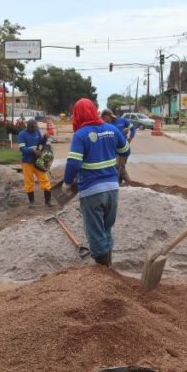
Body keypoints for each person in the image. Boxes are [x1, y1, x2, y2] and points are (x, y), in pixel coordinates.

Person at [58, 98, 130, 266]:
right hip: (113, 189)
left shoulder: (80, 135)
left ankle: (103, 276)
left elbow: (74, 163)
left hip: (92, 191)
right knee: (106, 229)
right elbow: (126, 150)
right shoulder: (111, 129)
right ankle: (109, 270)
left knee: (95, 233)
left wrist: (67, 183)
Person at [17, 119, 53, 206]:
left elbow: (41, 142)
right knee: (29, 182)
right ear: (28, 126)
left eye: (35, 127)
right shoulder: (22, 134)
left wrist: (45, 137)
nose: (34, 129)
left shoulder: (36, 131)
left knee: (44, 179)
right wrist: (32, 151)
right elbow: (22, 148)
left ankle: (48, 202)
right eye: (32, 128)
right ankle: (32, 202)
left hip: (38, 161)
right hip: (27, 162)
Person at [101, 109, 134, 185]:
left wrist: (130, 138)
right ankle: (120, 184)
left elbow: (132, 128)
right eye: (110, 117)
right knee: (118, 167)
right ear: (105, 117)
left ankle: (129, 183)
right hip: (113, 151)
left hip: (123, 149)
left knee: (119, 167)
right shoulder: (104, 125)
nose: (112, 119)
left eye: (112, 116)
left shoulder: (121, 120)